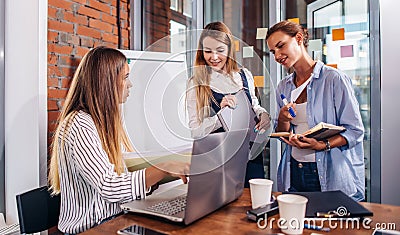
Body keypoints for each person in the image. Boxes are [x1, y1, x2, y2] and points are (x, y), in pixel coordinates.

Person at [48, 46, 189, 234]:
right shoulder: (79, 124)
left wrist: (153, 180)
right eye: (125, 77)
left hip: (115, 221)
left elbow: (120, 179)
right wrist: (163, 167)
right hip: (90, 230)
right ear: (105, 82)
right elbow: (109, 186)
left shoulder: (107, 122)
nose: (130, 84)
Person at [265, 20, 365, 201]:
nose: (277, 56)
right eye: (273, 52)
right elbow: (283, 132)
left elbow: (355, 131)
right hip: (294, 170)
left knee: (331, 228)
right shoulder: (283, 86)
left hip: (329, 174)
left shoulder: (333, 79)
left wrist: (322, 145)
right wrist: (283, 118)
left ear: (299, 38)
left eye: (281, 46)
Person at [186, 21, 271, 186]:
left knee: (253, 205)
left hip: (250, 158)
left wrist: (263, 114)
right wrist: (221, 115)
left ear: (229, 50)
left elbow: (254, 104)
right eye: (208, 51)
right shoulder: (195, 83)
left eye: (220, 50)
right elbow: (196, 131)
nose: (214, 57)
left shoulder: (245, 75)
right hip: (217, 161)